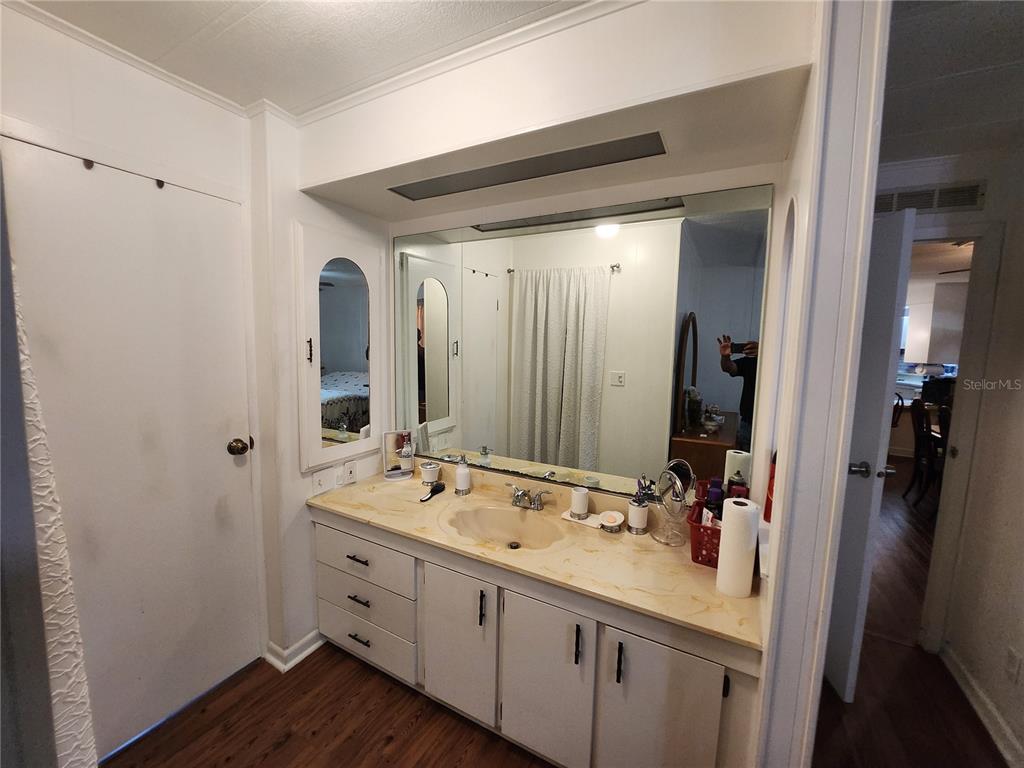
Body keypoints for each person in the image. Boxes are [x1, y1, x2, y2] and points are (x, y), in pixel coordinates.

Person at [718, 334, 758, 451]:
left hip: (768, 427)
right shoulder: (750, 361)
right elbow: (729, 368)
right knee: (743, 465)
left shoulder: (774, 364)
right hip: (747, 423)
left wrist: (764, 354)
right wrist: (725, 357)